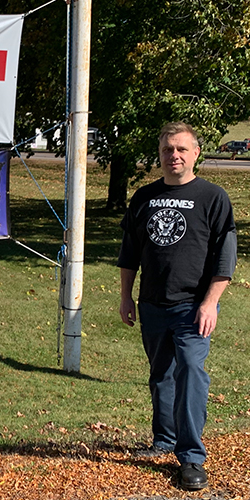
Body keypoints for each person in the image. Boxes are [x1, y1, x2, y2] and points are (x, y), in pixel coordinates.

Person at [117, 122, 237, 490]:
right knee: (161, 376)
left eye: (182, 149)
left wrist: (210, 303)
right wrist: (126, 296)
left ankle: (191, 458)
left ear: (196, 153)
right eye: (168, 149)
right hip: (153, 304)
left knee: (190, 373)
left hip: (192, 306)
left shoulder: (213, 198)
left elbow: (225, 258)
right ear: (160, 154)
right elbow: (129, 253)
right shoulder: (144, 197)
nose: (175, 156)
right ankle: (164, 440)